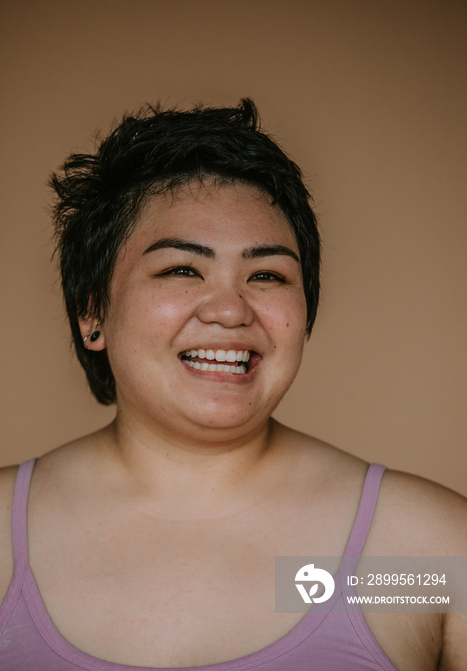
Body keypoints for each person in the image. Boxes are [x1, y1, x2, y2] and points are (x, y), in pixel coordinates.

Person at [0, 99, 465, 671]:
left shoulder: (426, 551)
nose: (229, 310)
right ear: (92, 311)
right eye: (181, 269)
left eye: (266, 275)